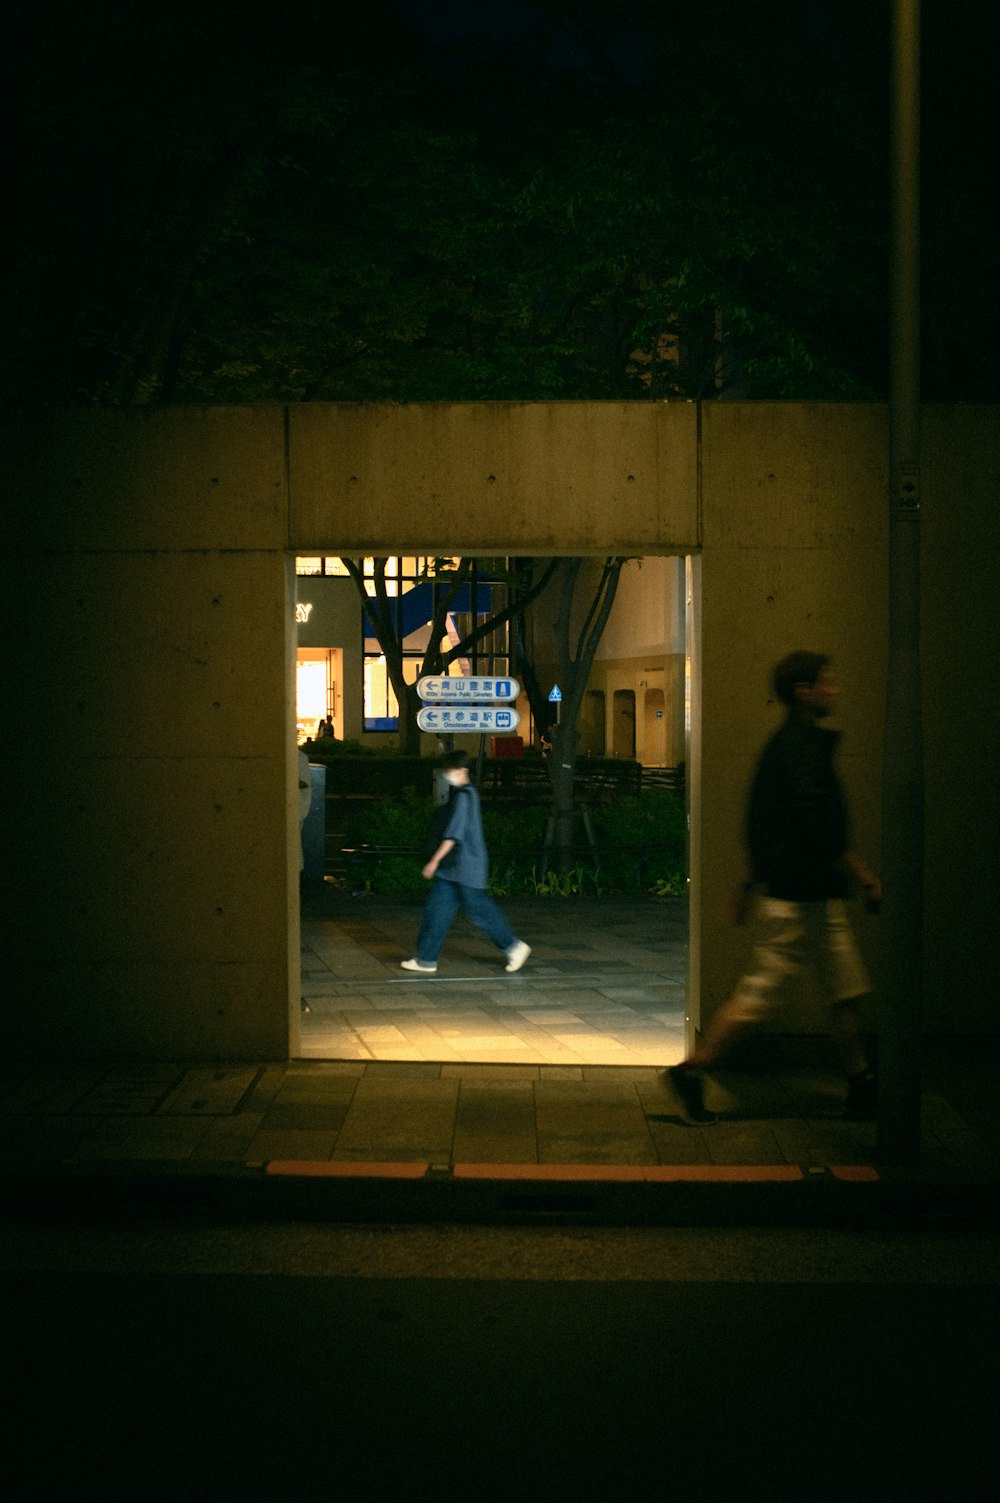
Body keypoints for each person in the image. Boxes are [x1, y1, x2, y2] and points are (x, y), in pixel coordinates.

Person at [666, 651, 881, 1123]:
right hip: (802, 898)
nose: (834, 690)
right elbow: (816, 825)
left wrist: (747, 883)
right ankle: (693, 1069)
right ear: (804, 691)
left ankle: (861, 1081)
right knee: (763, 994)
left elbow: (763, 823)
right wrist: (860, 873)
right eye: (827, 682)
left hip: (808, 894)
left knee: (842, 988)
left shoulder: (787, 746)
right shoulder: (799, 748)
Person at [401, 750, 531, 975]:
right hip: (454, 869)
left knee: (478, 910)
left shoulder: (464, 796)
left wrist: (434, 861)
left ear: (462, 771)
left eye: (449, 771)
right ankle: (426, 959)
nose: (447, 775)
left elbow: (454, 835)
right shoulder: (466, 794)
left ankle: (513, 946)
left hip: (466, 867)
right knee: (437, 911)